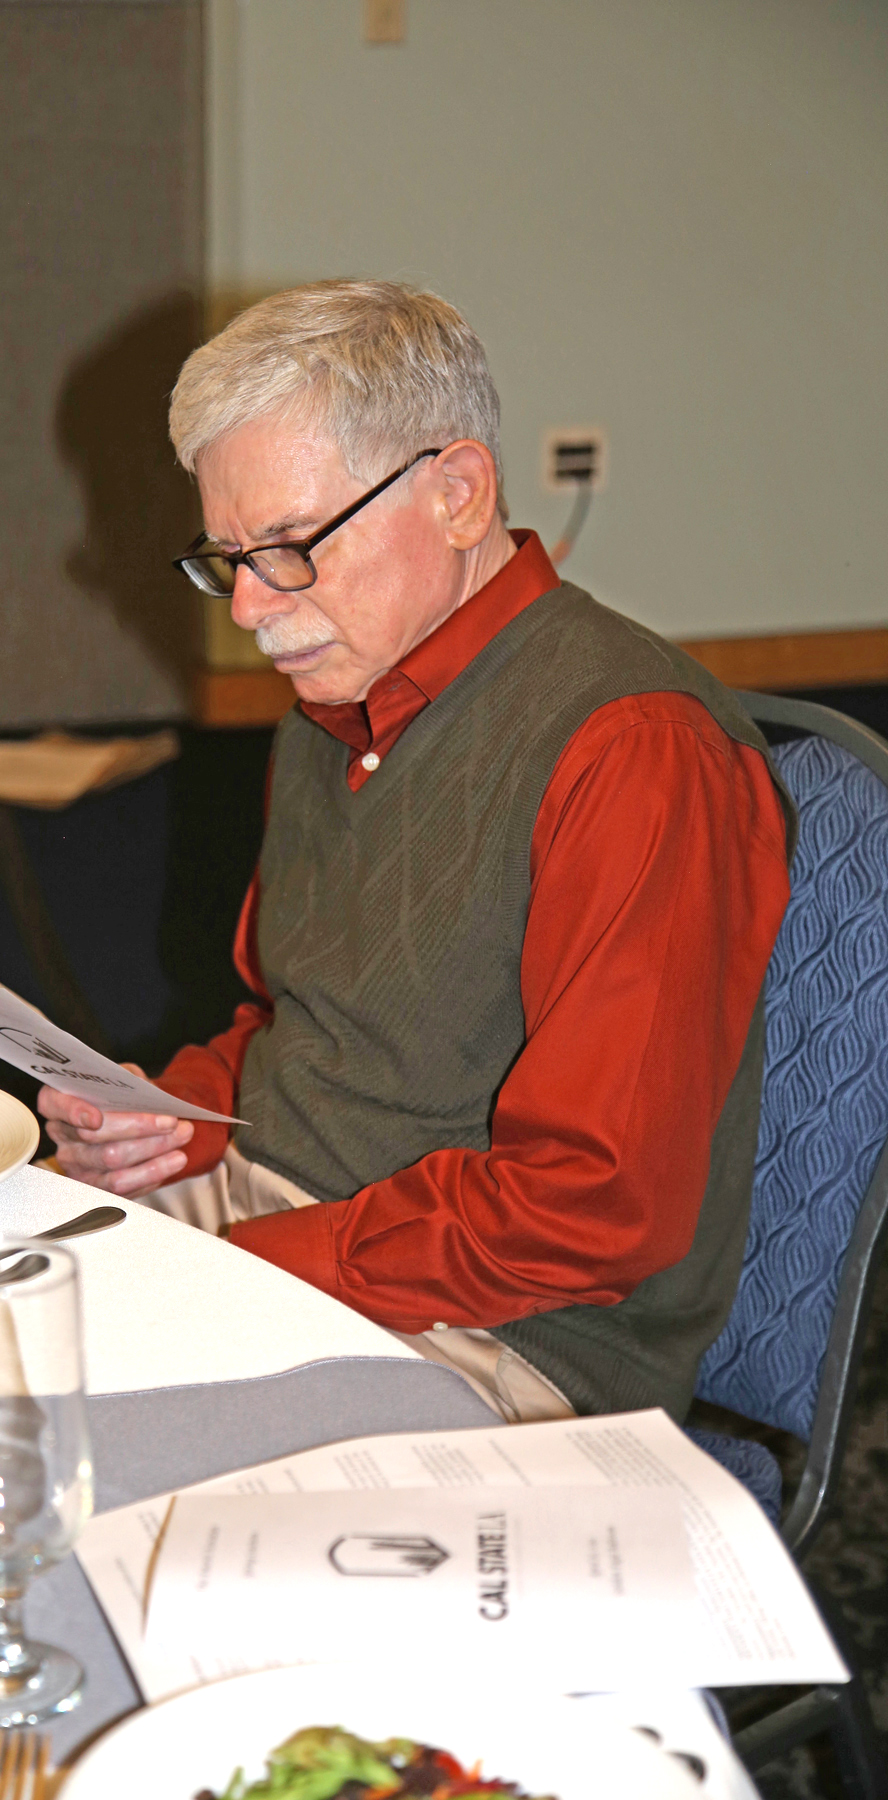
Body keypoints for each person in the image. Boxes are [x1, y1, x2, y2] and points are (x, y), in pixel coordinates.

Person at [39, 281, 795, 1423]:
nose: (248, 607)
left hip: (503, 1328)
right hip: (297, 1226)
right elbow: (299, 1027)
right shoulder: (341, 694)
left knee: (41, 1446)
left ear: (456, 494)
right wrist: (175, 1115)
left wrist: (253, 1263)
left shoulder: (635, 750)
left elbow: (591, 1211)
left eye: (290, 547)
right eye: (228, 557)